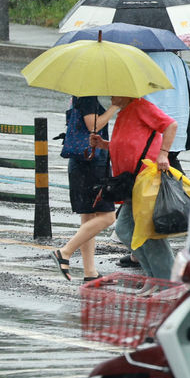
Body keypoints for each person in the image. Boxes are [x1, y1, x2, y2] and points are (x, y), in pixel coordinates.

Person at [89, 96, 177, 280]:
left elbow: (171, 125)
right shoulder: (124, 113)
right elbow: (130, 143)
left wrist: (163, 154)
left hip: (146, 183)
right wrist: (103, 144)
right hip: (131, 185)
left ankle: (167, 281)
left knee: (148, 234)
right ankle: (154, 277)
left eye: (115, 92)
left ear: (127, 92)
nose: (111, 96)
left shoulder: (142, 106)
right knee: (125, 230)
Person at [51, 96, 119, 282]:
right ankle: (65, 251)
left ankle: (90, 272)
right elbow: (94, 126)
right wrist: (114, 107)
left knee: (88, 219)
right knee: (107, 216)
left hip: (82, 163)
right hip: (91, 165)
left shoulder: (78, 97)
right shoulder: (87, 97)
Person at [145, 51, 190, 173]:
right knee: (170, 163)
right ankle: (180, 190)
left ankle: (178, 190)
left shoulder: (144, 58)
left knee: (149, 171)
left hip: (151, 127)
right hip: (176, 130)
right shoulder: (179, 62)